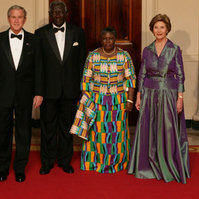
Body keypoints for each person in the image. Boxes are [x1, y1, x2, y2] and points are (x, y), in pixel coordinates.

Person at [0, 5, 42, 183]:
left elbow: (38, 69)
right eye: (13, 17)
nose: (16, 20)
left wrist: (39, 93)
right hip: (3, 94)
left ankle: (20, 168)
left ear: (25, 19)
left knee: (24, 133)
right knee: (2, 132)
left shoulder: (34, 40)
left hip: (25, 94)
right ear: (8, 18)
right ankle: (2, 168)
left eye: (20, 17)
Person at [127, 14, 190, 183]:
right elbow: (142, 74)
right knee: (149, 128)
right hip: (149, 94)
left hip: (169, 95)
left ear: (167, 29)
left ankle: (168, 165)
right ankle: (147, 165)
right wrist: (138, 96)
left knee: (167, 130)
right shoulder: (147, 50)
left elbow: (181, 74)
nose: (159, 30)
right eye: (156, 27)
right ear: (152, 29)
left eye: (162, 27)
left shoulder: (174, 49)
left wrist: (180, 97)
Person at [71, 27, 136, 173]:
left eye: (111, 38)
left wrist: (130, 101)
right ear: (101, 40)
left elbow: (131, 79)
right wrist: (86, 101)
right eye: (105, 38)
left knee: (117, 134)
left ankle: (118, 163)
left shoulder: (124, 56)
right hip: (97, 101)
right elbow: (85, 80)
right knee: (97, 134)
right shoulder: (92, 56)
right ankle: (95, 163)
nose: (108, 41)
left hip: (118, 102)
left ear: (115, 39)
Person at [35, 1, 86, 175]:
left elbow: (81, 64)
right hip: (48, 92)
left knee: (66, 128)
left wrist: (82, 89)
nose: (57, 15)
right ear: (50, 13)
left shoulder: (78, 32)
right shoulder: (40, 34)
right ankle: (47, 162)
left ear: (66, 13)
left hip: (70, 91)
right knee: (47, 129)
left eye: (60, 12)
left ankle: (65, 161)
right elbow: (38, 66)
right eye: (54, 12)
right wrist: (39, 91)